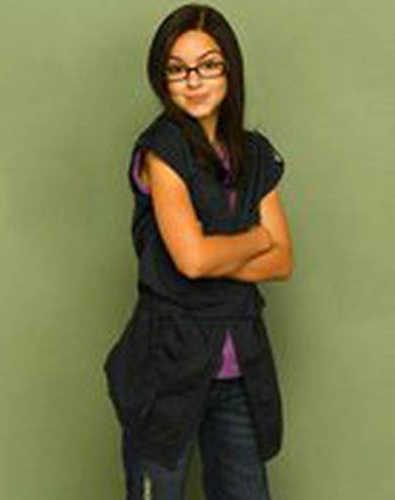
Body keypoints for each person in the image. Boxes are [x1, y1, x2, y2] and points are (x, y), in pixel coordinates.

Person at [103, 3, 293, 499]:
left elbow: (283, 261)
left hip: (238, 372)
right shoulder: (160, 151)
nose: (193, 81)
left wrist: (217, 252)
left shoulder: (256, 155)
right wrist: (256, 239)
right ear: (162, 78)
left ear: (229, 69)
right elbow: (192, 260)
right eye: (177, 69)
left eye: (208, 65)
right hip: (165, 370)